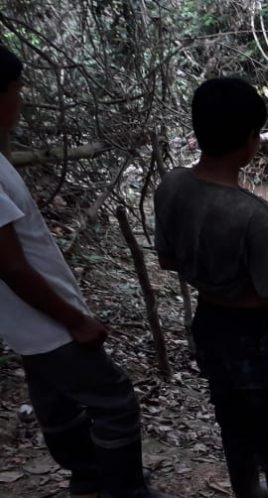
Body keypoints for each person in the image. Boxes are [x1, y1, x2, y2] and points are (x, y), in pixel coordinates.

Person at [0, 45, 174, 498]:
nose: (20, 100)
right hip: (45, 321)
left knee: (56, 403)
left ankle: (88, 479)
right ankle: (125, 489)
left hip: (28, 323)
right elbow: (11, 265)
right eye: (17, 90)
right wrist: (75, 320)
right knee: (114, 400)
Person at [155, 78, 268, 497]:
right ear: (250, 140)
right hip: (258, 341)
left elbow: (168, 259)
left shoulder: (172, 186)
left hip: (211, 327)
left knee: (234, 421)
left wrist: (223, 290)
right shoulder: (254, 215)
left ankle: (247, 491)